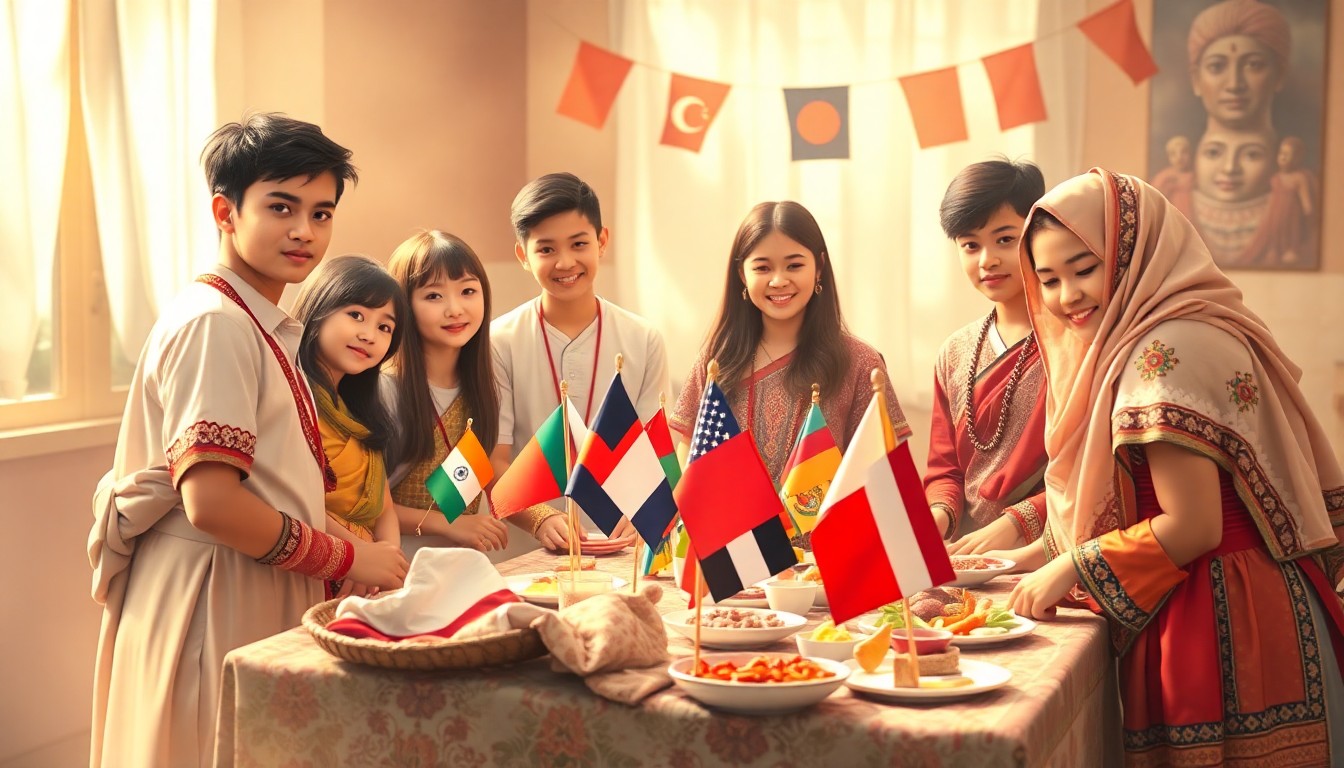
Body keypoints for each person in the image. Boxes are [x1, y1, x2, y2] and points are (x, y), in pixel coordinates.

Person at [88, 114, 408, 768]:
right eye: (281, 207)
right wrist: (347, 556)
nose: (304, 230)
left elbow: (273, 483)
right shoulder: (218, 323)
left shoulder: (259, 322)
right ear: (225, 212)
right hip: (213, 589)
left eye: (321, 213)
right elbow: (213, 504)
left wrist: (356, 554)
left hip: (249, 579)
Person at [1009, 167, 1344, 764]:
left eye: (1085, 269)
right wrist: (1026, 556)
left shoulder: (1159, 354)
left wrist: (1072, 568)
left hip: (1221, 613)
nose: (1068, 297)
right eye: (1050, 280)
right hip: (1257, 594)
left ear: (1134, 252)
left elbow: (1193, 526)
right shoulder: (1194, 321)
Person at [670, 201, 911, 513]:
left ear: (819, 266)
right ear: (742, 274)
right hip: (732, 541)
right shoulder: (716, 362)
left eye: (794, 266)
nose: (778, 280)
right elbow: (688, 470)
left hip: (826, 541)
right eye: (762, 268)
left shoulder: (861, 363)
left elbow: (883, 473)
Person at [492, 172, 670, 552]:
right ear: (523, 256)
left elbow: (655, 454)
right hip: (527, 554)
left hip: (623, 548)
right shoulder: (499, 341)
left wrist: (643, 512)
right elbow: (494, 463)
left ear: (602, 241)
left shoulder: (643, 340)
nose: (565, 262)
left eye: (579, 244)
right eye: (546, 249)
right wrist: (541, 518)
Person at [925, 160, 1049, 554]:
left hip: (1049, 549)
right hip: (968, 554)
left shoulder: (1073, 341)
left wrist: (1015, 524)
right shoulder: (954, 352)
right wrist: (937, 517)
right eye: (970, 245)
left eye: (1005, 239)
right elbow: (944, 469)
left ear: (1037, 233)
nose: (986, 260)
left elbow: (1088, 470)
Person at [384, 230, 511, 558]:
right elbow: (359, 506)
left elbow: (492, 469)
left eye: (467, 291)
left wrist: (541, 518)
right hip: (395, 568)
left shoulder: (489, 386)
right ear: (403, 305)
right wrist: (447, 523)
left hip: (462, 568)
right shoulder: (385, 389)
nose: (455, 309)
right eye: (433, 296)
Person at [292, 254, 405, 597]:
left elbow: (384, 508)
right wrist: (357, 554)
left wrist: (385, 563)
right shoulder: (292, 399)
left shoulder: (359, 413)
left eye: (385, 327)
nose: (369, 335)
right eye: (356, 315)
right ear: (319, 308)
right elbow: (293, 502)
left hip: (365, 585)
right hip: (307, 575)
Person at [1187, 0, 1289, 136]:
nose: (1234, 85)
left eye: (1253, 65)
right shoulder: (1178, 149)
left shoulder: (1302, 148)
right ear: (1196, 80)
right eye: (1216, 66)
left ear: (1280, 76)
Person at [1149, 135, 1194, 218]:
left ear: (1190, 154)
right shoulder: (1163, 177)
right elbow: (1154, 200)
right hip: (1172, 217)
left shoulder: (1197, 177)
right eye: (1173, 154)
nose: (1179, 157)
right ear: (1168, 157)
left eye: (1183, 152)